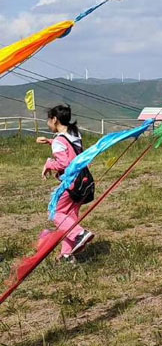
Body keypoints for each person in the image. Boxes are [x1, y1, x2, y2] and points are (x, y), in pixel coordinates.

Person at [36, 105, 94, 261]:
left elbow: (64, 163)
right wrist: (50, 141)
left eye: (49, 120)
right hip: (84, 181)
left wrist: (48, 164)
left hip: (71, 184)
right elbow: (71, 149)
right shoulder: (75, 134)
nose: (48, 123)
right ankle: (66, 255)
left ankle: (80, 234)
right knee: (68, 217)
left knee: (55, 212)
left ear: (55, 120)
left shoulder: (58, 141)